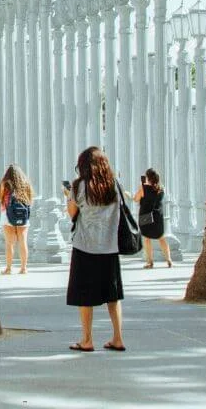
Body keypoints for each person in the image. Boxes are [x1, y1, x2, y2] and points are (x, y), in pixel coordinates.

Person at [64, 146, 125, 352]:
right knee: (112, 296)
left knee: (85, 295)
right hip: (109, 247)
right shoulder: (114, 185)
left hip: (85, 246)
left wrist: (68, 197)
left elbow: (72, 214)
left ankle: (87, 339)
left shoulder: (79, 186)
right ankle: (117, 338)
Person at [0, 164, 33, 275]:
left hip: (7, 215)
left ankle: (8, 269)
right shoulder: (25, 184)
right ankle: (23, 268)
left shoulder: (4, 184)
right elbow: (30, 200)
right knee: (23, 242)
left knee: (9, 243)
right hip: (23, 215)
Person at [132, 169, 171, 268]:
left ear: (148, 178)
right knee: (161, 238)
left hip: (145, 215)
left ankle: (150, 262)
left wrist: (140, 188)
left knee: (147, 239)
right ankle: (169, 260)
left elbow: (136, 199)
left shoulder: (143, 188)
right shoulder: (161, 188)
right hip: (158, 216)